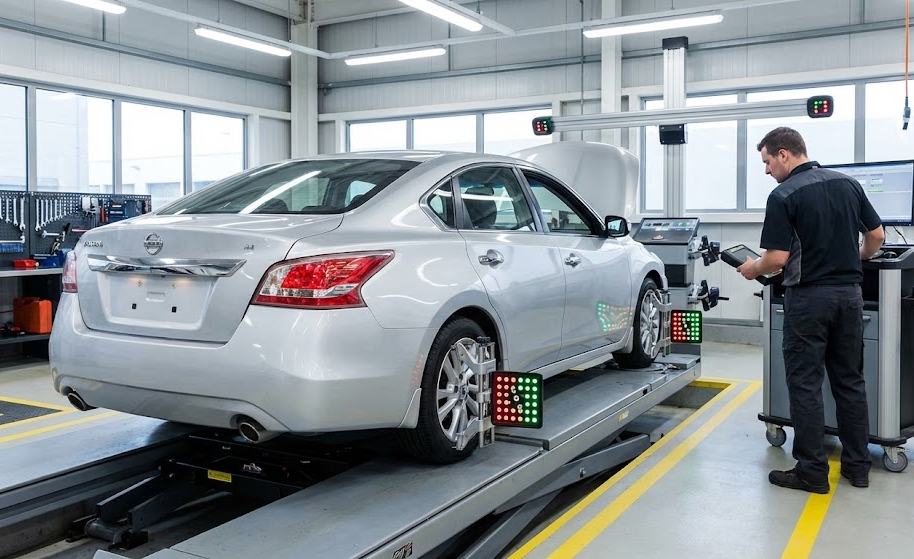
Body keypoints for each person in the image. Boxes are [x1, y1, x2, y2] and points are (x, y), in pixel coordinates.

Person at [737, 127, 885, 493]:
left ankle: (812, 471)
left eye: (768, 162)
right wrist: (857, 258)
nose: (767, 171)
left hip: (808, 301)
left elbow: (776, 259)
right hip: (851, 296)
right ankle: (858, 466)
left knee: (805, 384)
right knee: (850, 381)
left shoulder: (783, 194)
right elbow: (877, 236)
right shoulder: (848, 184)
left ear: (784, 154)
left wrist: (752, 267)